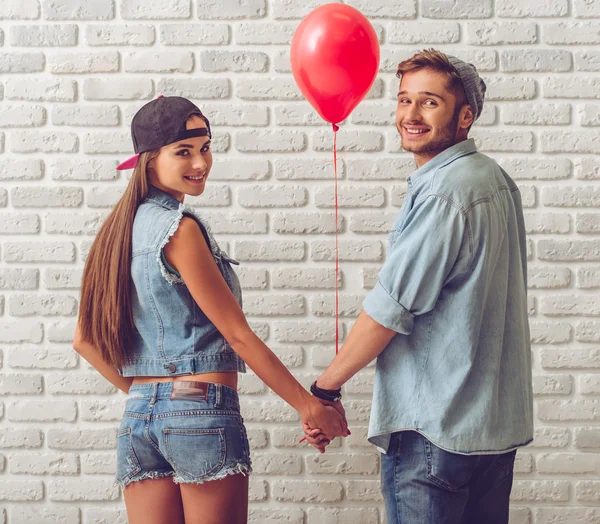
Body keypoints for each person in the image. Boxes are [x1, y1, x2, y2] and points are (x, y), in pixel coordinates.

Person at [72, 95, 348, 524]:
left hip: (139, 417)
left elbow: (84, 341)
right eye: (184, 151)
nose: (201, 162)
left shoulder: (116, 233)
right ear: (148, 161)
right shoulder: (179, 231)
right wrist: (307, 406)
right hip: (200, 412)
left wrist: (154, 397)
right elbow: (237, 334)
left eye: (206, 147)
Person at [304, 49, 533, 524]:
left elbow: (389, 309)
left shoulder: (446, 192)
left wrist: (323, 391)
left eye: (429, 102)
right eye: (403, 100)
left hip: (436, 431)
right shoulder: (494, 179)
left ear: (465, 114)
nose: (410, 115)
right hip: (491, 432)